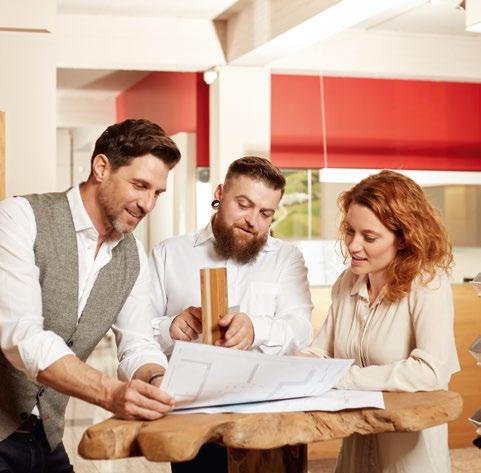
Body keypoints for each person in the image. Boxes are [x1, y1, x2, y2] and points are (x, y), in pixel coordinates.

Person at [0, 119, 181, 472]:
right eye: (140, 185)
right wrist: (109, 392)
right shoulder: (19, 218)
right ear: (101, 168)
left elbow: (138, 343)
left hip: (46, 436)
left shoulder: (132, 255)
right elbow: (21, 335)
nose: (148, 204)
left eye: (157, 193)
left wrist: (156, 380)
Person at [303, 170, 459, 473]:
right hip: (357, 450)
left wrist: (341, 378)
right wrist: (296, 365)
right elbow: (321, 351)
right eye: (350, 231)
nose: (353, 245)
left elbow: (431, 372)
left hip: (409, 458)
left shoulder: (428, 284)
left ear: (403, 238)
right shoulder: (347, 282)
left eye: (369, 237)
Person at [150, 156, 313, 356]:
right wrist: (170, 328)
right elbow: (136, 332)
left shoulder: (286, 258)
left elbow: (302, 331)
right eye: (243, 205)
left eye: (265, 214)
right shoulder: (167, 254)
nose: (252, 220)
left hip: (260, 377)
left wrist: (256, 329)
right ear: (220, 193)